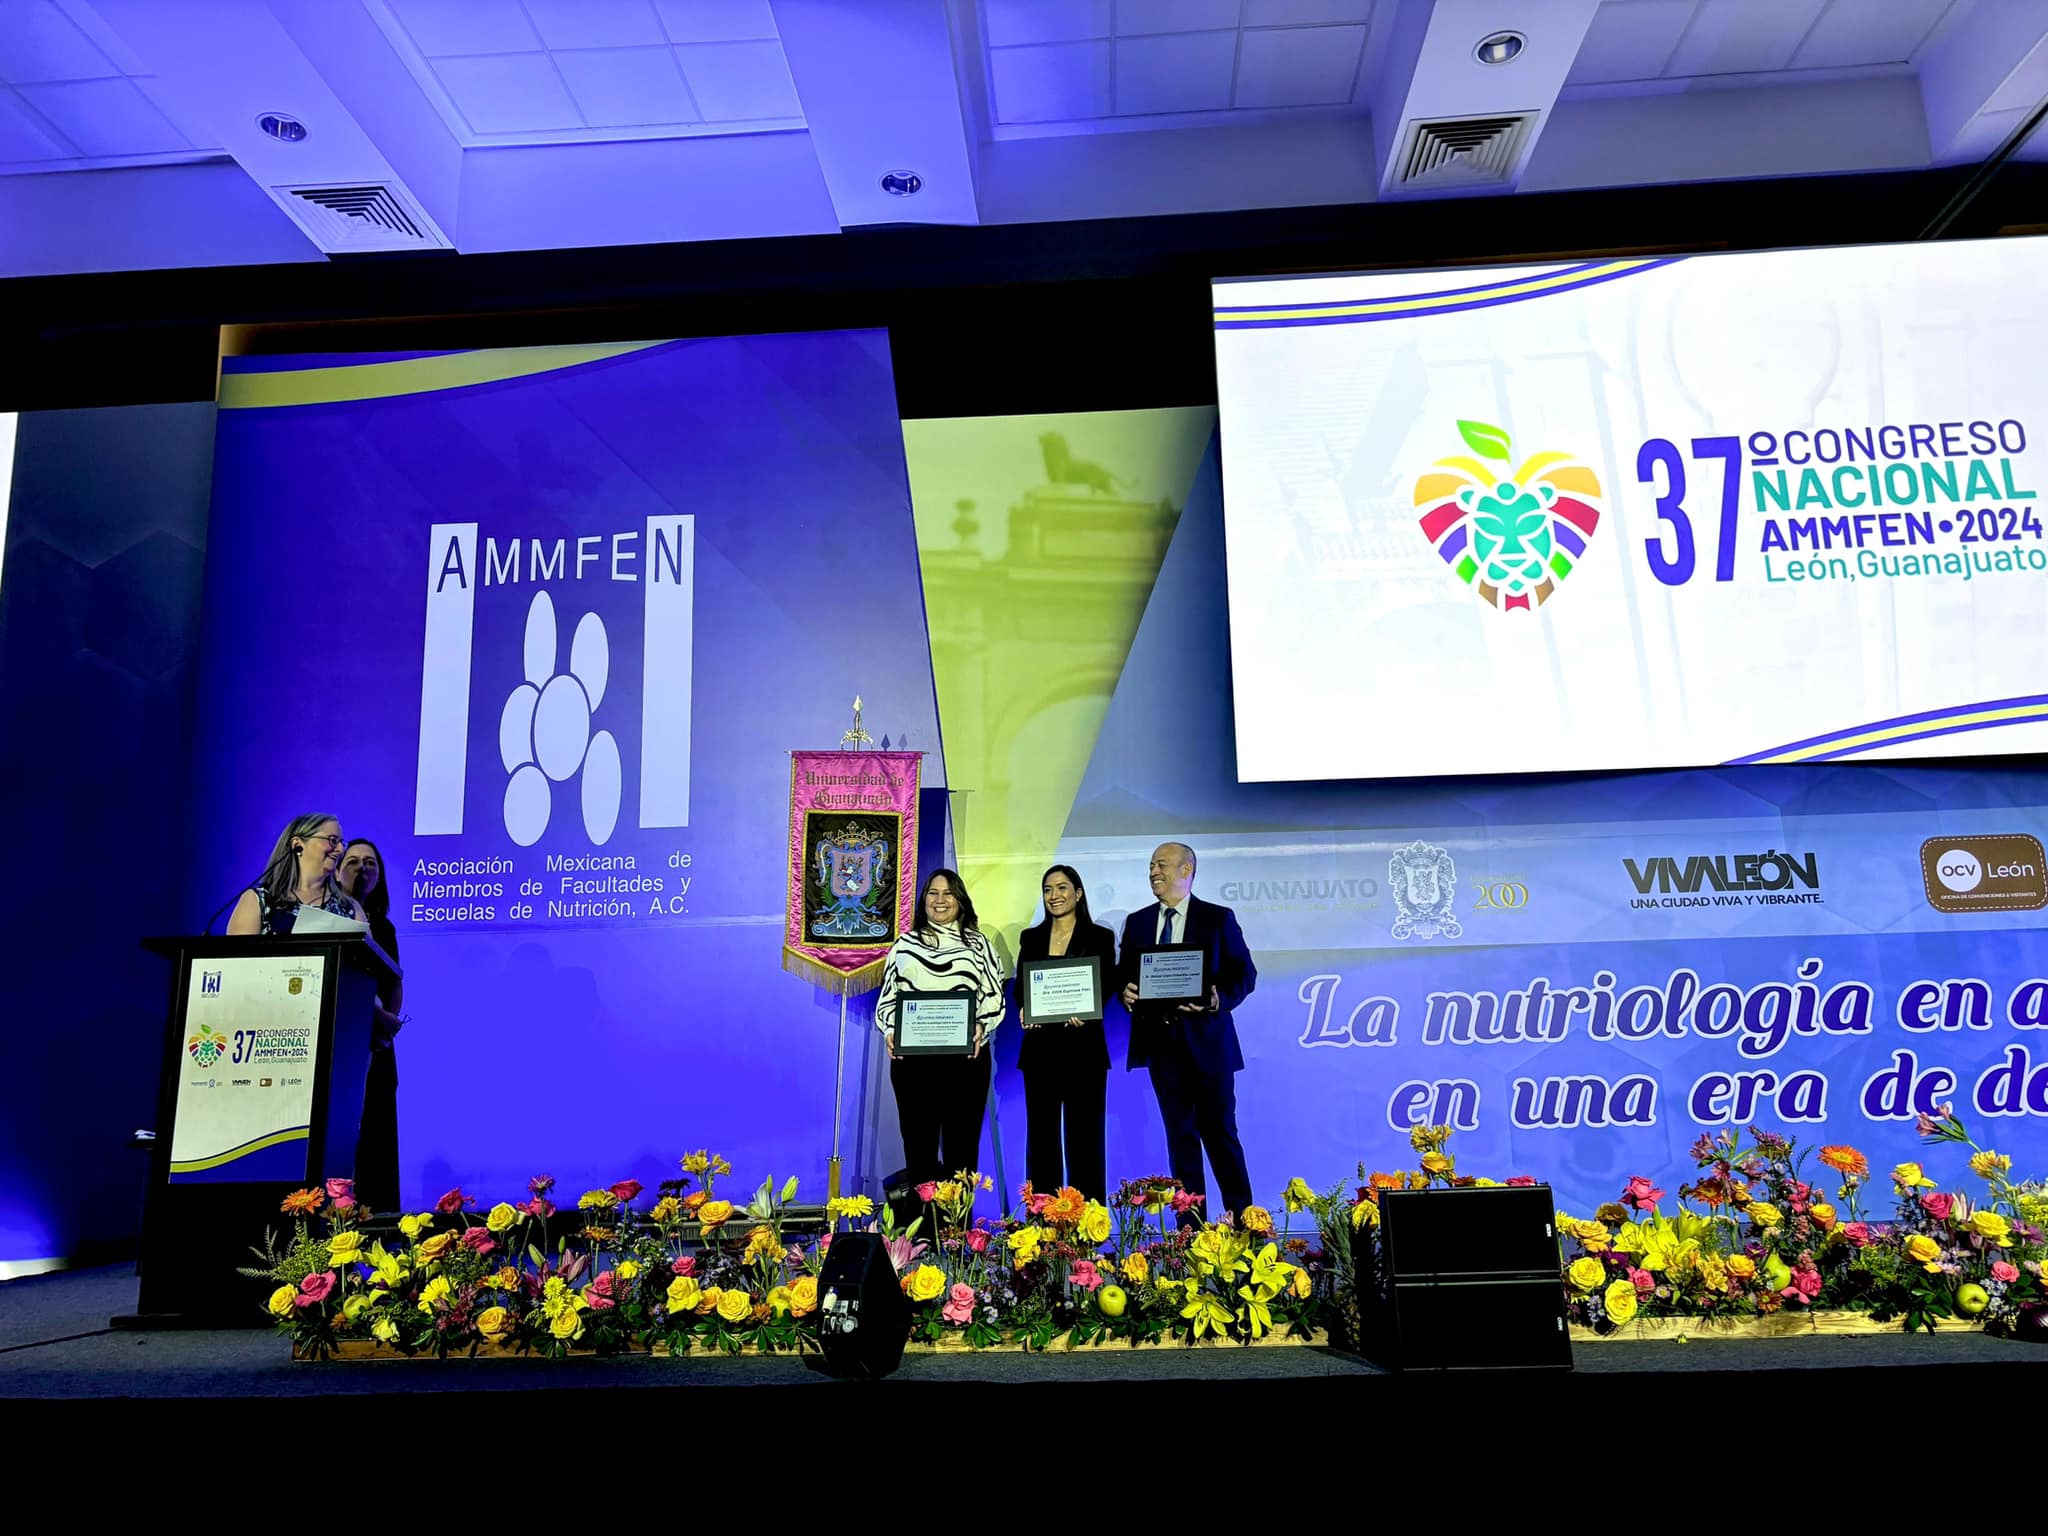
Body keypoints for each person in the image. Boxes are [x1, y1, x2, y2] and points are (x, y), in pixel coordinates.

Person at [1115, 842, 1258, 1222]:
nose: (1153, 872)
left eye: (1161, 865)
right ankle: (1189, 1235)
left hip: (1210, 1048)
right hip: (1163, 1049)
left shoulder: (1217, 918)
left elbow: (1245, 974)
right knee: (1180, 1141)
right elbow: (1125, 977)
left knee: (1221, 1136)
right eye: (1150, 866)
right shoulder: (1138, 922)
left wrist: (1216, 999)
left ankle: (1245, 1226)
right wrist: (1125, 992)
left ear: (1186, 870)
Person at [875, 869, 1006, 1218]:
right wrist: (890, 1030)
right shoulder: (904, 944)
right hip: (914, 1064)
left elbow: (994, 996)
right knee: (919, 1150)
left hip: (964, 1061)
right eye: (932, 893)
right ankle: (923, 1234)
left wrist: (980, 1024)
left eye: (947, 893)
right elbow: (888, 998)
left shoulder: (979, 944)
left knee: (962, 1152)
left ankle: (957, 1237)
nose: (939, 899)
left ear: (960, 899)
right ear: (924, 901)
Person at [1013, 864, 1114, 1202]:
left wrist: (1088, 1009)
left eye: (1062, 888)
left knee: (1085, 1140)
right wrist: (1024, 1009)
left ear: (1078, 893)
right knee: (1041, 1141)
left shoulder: (1101, 936)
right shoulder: (1031, 937)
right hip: (1040, 1052)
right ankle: (1043, 1226)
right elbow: (1021, 989)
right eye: (1047, 889)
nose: (1054, 896)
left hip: (1084, 1052)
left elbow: (1106, 985)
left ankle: (1087, 1226)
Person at [340, 838, 404, 1215]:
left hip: (376, 1043)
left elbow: (395, 980)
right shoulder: (323, 915)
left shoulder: (384, 926)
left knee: (377, 1134)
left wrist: (386, 1025)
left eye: (370, 863)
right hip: (341, 1037)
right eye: (352, 861)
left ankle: (379, 1223)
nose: (361, 868)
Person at [226, 813, 365, 935]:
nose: (340, 850)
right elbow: (237, 960)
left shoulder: (350, 908)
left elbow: (368, 963)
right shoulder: (259, 900)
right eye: (333, 840)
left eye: (342, 843)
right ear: (297, 844)